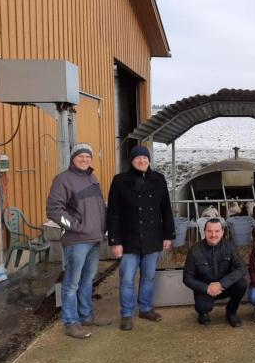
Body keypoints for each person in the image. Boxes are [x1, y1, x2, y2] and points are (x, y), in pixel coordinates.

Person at [106, 145, 175, 331]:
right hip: (128, 239)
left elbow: (166, 210)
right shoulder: (120, 181)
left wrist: (168, 235)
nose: (142, 161)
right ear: (132, 161)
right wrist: (115, 241)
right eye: (138, 158)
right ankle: (127, 314)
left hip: (153, 238)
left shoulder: (158, 179)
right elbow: (113, 213)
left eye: (145, 158)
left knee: (149, 277)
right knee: (127, 278)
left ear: (149, 160)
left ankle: (145, 308)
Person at [47, 142, 110, 339]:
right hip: (77, 240)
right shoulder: (63, 180)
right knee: (72, 283)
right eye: (80, 156)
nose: (84, 159)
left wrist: (104, 227)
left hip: (94, 238)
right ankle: (71, 322)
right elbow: (54, 210)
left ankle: (86, 315)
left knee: (87, 280)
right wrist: (76, 226)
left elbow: (98, 206)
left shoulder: (92, 177)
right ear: (73, 158)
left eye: (87, 156)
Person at [183, 218, 248, 327]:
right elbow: (187, 278)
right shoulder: (195, 250)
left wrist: (221, 284)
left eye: (217, 231)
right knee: (203, 307)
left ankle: (231, 312)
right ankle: (203, 313)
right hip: (205, 289)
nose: (213, 234)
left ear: (222, 232)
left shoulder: (229, 246)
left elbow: (242, 268)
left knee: (242, 284)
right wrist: (206, 288)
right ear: (204, 232)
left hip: (224, 286)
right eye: (209, 231)